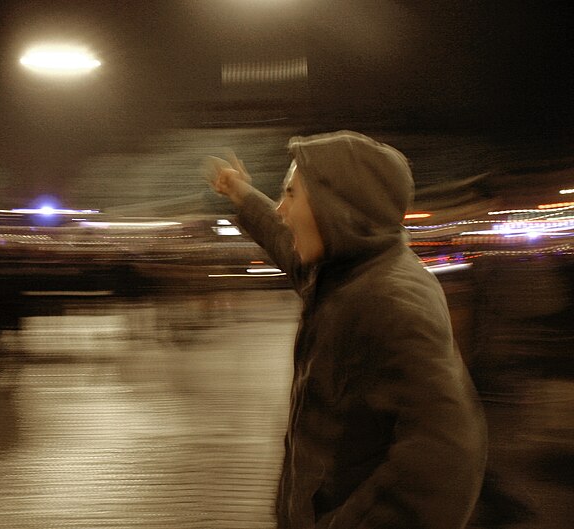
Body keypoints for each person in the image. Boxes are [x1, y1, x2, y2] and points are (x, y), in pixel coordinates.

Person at [206, 130, 488, 529]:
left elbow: (445, 458)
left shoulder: (393, 301)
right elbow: (283, 240)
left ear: (334, 207)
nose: (283, 210)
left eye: (291, 194)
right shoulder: (344, 271)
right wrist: (242, 194)